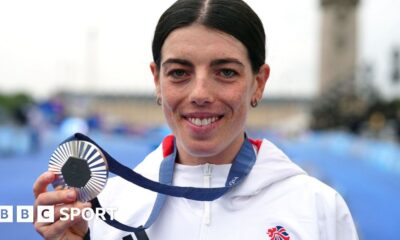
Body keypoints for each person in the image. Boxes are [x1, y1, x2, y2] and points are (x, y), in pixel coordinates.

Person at [33, 0, 359, 239]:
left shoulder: (317, 208)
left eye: (226, 72)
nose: (200, 93)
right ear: (156, 81)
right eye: (179, 72)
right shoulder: (107, 207)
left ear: (258, 83)